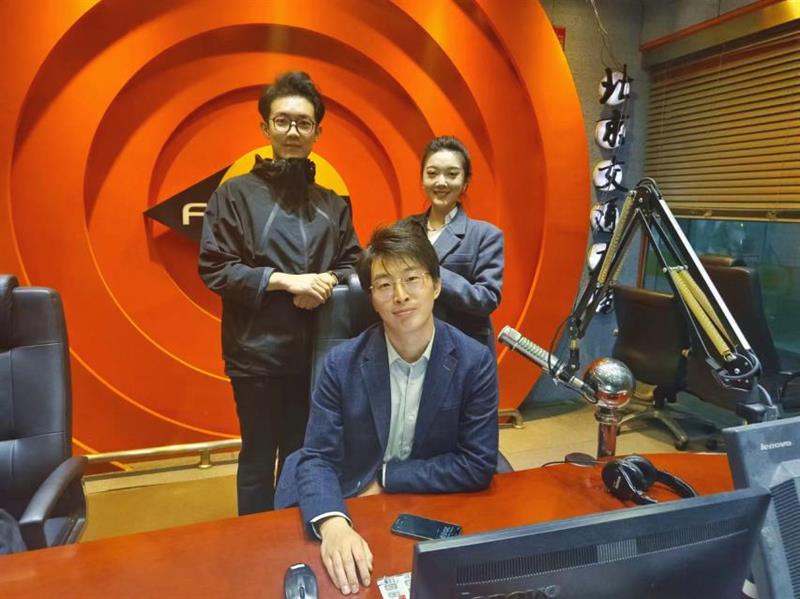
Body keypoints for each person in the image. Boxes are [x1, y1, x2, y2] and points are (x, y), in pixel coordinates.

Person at [274, 221, 498, 595]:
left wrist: (387, 478)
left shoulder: (474, 362)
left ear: (436, 285)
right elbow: (317, 458)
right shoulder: (341, 363)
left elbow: (477, 463)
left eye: (412, 279)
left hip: (426, 502)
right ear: (372, 299)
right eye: (384, 285)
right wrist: (333, 524)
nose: (400, 296)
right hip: (347, 496)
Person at [198, 71, 361, 515]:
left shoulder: (332, 202)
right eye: (283, 121)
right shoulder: (234, 195)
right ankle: (252, 542)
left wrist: (325, 283)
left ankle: (292, 533)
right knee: (257, 457)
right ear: (265, 127)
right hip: (255, 353)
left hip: (316, 353)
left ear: (317, 132)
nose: (293, 131)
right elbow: (215, 267)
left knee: (301, 454)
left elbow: (354, 263)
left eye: (304, 123)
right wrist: (288, 281)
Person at [409, 136, 504, 357]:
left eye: (452, 174)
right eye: (432, 173)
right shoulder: (405, 230)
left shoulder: (485, 235)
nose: (441, 182)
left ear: (465, 181)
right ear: (422, 178)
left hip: (464, 350)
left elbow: (487, 298)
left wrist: (430, 271)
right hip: (410, 346)